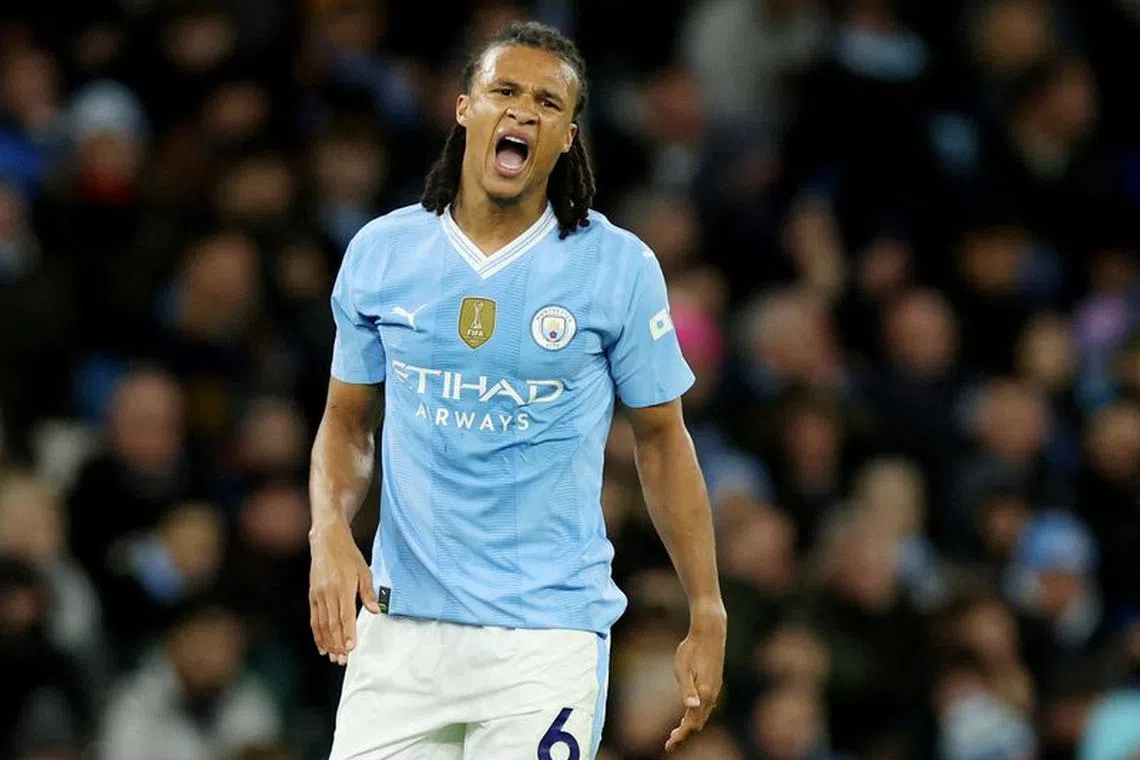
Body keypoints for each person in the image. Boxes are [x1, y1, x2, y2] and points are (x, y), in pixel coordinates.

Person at [307, 20, 726, 760]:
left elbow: (662, 442)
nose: (523, 111)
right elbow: (348, 420)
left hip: (544, 638)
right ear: (465, 107)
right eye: (504, 90)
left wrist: (707, 608)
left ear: (567, 137)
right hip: (401, 631)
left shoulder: (616, 268)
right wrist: (330, 531)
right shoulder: (382, 253)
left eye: (548, 102)